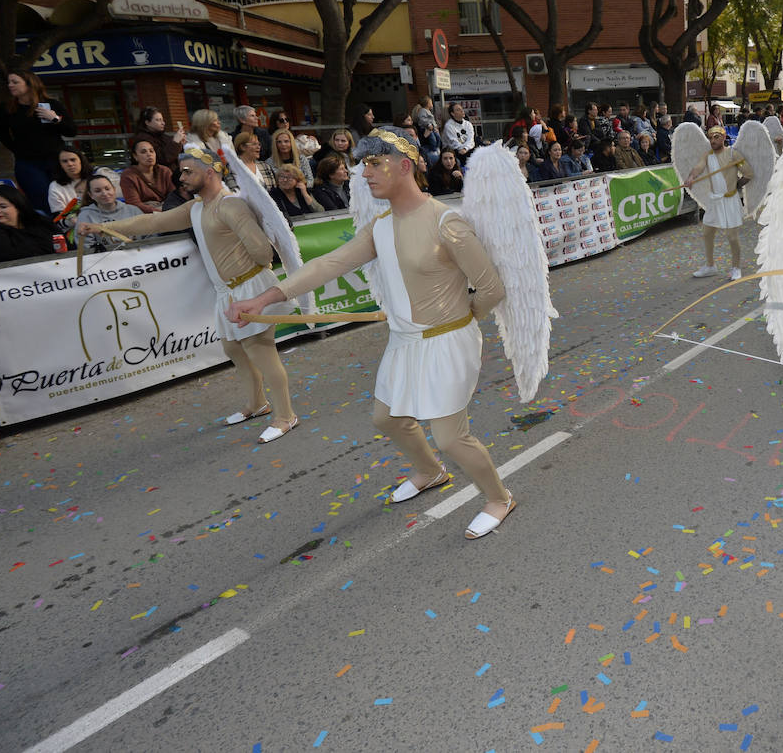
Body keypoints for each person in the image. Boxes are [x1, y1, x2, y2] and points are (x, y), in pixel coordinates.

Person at [228, 130, 518, 538]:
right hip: (403, 340)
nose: (363, 173)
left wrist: (462, 317)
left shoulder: (446, 223)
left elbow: (491, 289)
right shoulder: (380, 226)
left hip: (449, 340)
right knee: (387, 417)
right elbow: (329, 263)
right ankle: (429, 472)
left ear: (405, 166)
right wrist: (266, 298)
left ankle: (498, 497)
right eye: (362, 165)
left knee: (451, 437)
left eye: (374, 163)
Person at [82, 142, 300, 443]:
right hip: (228, 292)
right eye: (180, 171)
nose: (181, 177)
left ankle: (286, 415)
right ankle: (257, 404)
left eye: (188, 171)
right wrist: (103, 228)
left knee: (261, 352)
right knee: (233, 349)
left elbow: (263, 254)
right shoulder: (197, 207)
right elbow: (152, 220)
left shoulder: (230, 205)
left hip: (250, 287)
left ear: (210, 172)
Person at [0, 70, 77, 207]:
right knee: (41, 198)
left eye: (15, 82)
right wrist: (17, 149)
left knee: (64, 199)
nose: (10, 85)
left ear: (29, 84)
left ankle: (67, 226)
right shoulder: (6, 108)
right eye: (9, 82)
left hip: (56, 160)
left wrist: (54, 119)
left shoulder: (52, 105)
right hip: (28, 162)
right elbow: (0, 132)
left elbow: (72, 131)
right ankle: (47, 227)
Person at [684, 125, 752, 281]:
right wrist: (691, 177)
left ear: (723, 137)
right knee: (707, 233)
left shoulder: (733, 154)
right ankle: (710, 266)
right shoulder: (708, 156)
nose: (712, 140)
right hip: (714, 200)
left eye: (716, 137)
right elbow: (698, 167)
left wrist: (737, 184)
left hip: (729, 199)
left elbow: (748, 173)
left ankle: (736, 268)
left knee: (732, 237)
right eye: (710, 138)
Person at [0, 184, 58, 265]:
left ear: (18, 206)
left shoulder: (40, 222)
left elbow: (62, 244)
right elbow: (6, 259)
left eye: (3, 206)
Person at [76, 175, 143, 251]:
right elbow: (86, 248)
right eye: (98, 191)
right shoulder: (85, 216)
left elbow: (151, 237)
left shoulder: (133, 210)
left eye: (107, 189)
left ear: (114, 189)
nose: (104, 193)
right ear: (91, 195)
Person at [131, 107, 187, 184]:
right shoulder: (142, 140)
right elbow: (163, 158)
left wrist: (180, 144)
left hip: (174, 175)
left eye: (162, 120)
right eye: (158, 120)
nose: (163, 123)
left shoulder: (163, 136)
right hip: (159, 179)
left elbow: (177, 156)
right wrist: (175, 142)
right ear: (147, 122)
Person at [121, 138, 177, 213]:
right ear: (135, 156)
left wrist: (165, 208)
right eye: (143, 152)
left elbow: (175, 195)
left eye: (151, 151)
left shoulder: (164, 171)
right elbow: (133, 204)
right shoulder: (128, 175)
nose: (149, 154)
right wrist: (157, 211)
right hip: (143, 216)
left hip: (167, 211)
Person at [47, 147, 98, 220]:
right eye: (65, 161)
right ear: (60, 165)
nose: (70, 164)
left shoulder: (96, 177)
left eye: (73, 160)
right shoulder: (55, 186)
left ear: (81, 161)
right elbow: (60, 216)